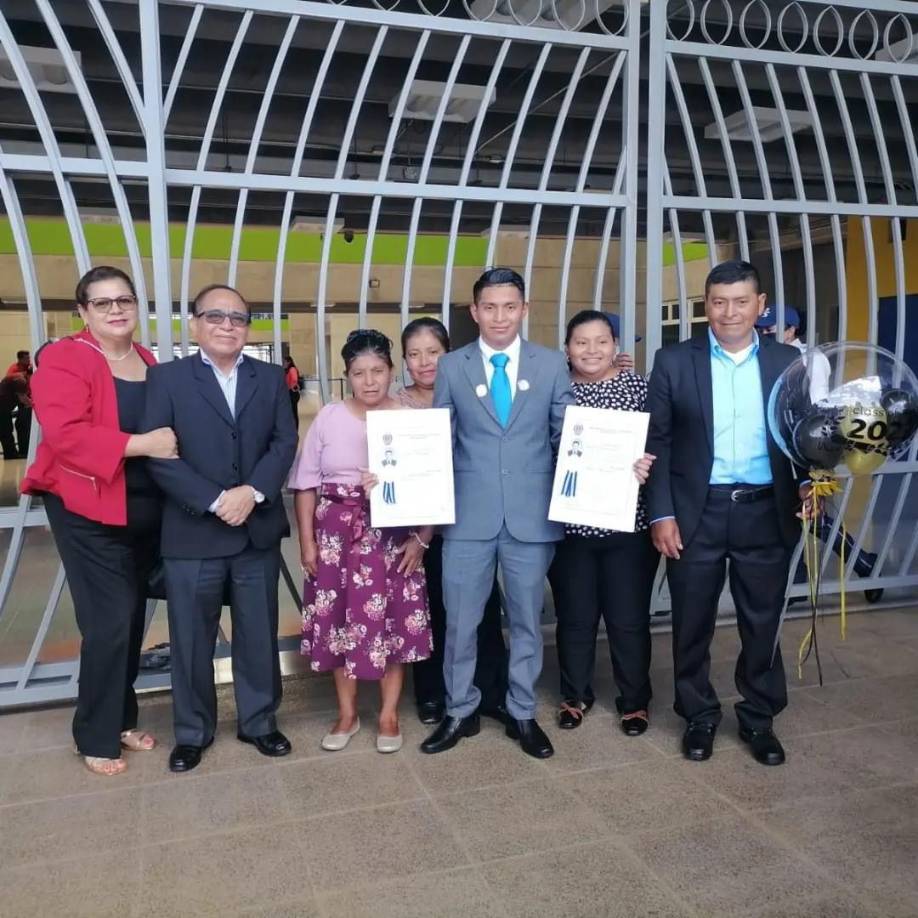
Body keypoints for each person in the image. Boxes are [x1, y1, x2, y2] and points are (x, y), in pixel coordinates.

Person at [646, 260, 810, 767]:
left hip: (766, 508)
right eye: (718, 302)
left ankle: (759, 717)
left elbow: (805, 436)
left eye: (741, 301)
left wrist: (809, 483)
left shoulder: (790, 361)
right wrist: (661, 515)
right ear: (706, 306)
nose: (729, 312)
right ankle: (698, 715)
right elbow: (659, 442)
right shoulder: (674, 361)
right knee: (691, 620)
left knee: (761, 621)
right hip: (699, 511)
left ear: (760, 306)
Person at [20, 266, 177, 776]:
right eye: (103, 302)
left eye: (124, 300)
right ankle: (94, 732)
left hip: (141, 509)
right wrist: (143, 445)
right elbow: (66, 434)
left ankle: (120, 719)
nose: (115, 309)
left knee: (131, 619)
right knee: (109, 621)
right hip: (85, 507)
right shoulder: (66, 358)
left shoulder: (148, 360)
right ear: (84, 311)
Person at [421, 267, 575, 759]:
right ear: (475, 311)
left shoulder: (551, 365)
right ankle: (459, 709)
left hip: (532, 518)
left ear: (524, 310)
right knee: (461, 622)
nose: (500, 316)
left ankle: (523, 712)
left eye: (510, 306)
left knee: (528, 621)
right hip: (467, 518)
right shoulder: (452, 366)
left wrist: (615, 465)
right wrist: (398, 474)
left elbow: (566, 437)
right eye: (490, 307)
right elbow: (438, 438)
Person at [144, 283, 298, 773]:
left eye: (238, 318)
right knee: (191, 640)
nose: (227, 325)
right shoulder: (166, 379)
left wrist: (250, 493)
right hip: (193, 533)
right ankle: (192, 732)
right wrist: (214, 500)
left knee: (258, 632)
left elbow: (284, 441)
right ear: (194, 325)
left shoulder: (271, 378)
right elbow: (158, 455)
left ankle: (259, 722)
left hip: (255, 529)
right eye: (215, 316)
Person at [289, 329, 432, 754]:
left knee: (390, 623)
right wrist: (308, 544)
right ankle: (347, 713)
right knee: (339, 625)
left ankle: (388, 715)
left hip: (393, 537)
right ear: (347, 375)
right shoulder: (329, 418)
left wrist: (422, 539)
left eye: (378, 371)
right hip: (336, 537)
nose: (369, 381)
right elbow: (305, 485)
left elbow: (434, 486)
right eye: (358, 373)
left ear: (392, 371)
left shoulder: (409, 418)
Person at [547, 311, 658, 735]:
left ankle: (634, 701)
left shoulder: (638, 387)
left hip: (628, 525)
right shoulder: (556, 391)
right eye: (581, 342)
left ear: (615, 345)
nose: (591, 351)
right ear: (567, 348)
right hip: (571, 527)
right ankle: (575, 695)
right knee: (575, 618)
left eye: (601, 341)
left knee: (628, 619)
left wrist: (647, 461)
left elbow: (660, 440)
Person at [397, 316, 509, 725]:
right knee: (429, 609)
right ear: (405, 361)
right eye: (414, 354)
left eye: (433, 351)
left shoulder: (474, 392)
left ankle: (491, 690)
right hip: (417, 528)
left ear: (450, 354)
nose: (425, 362)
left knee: (482, 608)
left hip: (474, 518)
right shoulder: (396, 405)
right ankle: (432, 694)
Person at [0, 374, 29, 459]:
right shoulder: (20, 381)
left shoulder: (17, 378)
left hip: (5, 406)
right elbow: (22, 397)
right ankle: (11, 454)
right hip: (2, 407)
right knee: (6, 431)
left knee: (6, 431)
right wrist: (33, 404)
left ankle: (11, 453)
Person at [284, 355, 300, 430]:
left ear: (289, 362)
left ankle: (295, 428)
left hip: (292, 393)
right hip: (289, 393)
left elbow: (294, 379)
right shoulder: (287, 370)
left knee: (294, 412)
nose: (284, 363)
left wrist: (292, 387)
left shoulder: (292, 369)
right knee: (291, 412)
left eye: (285, 362)